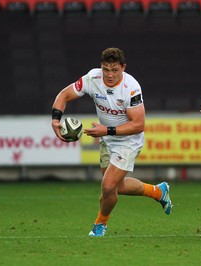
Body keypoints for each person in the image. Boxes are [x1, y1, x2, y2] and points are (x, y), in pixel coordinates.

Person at [51, 47, 173, 237]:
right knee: (117, 187)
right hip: (107, 138)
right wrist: (56, 119)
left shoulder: (131, 88)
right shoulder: (93, 78)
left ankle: (100, 224)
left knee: (108, 187)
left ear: (123, 68)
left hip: (128, 141)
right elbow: (64, 95)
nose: (109, 75)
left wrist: (105, 130)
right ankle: (158, 191)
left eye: (115, 70)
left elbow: (138, 125)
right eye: (106, 69)